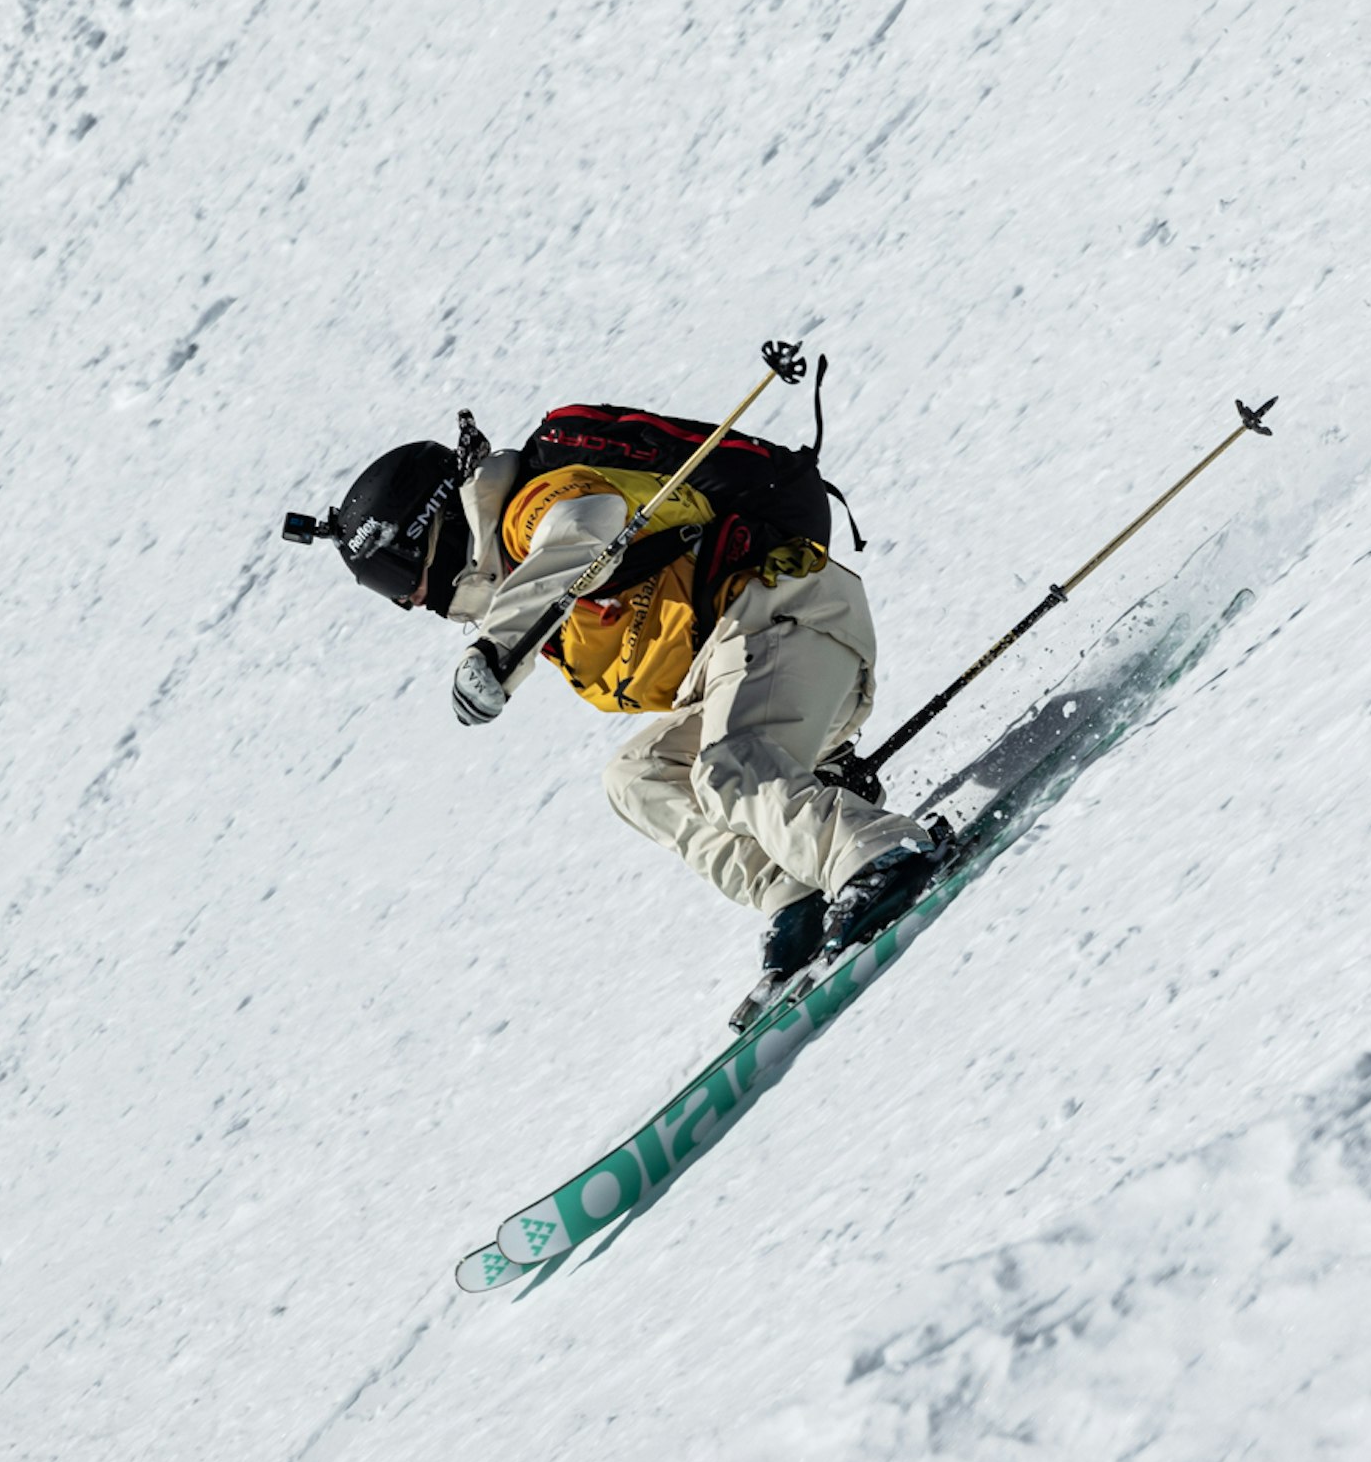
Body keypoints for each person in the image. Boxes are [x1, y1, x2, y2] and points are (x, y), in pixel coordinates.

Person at [290, 400, 946, 1018]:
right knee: (637, 775)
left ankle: (879, 852)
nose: (407, 603)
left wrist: (497, 650)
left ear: (427, 530)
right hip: (768, 661)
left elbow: (584, 530)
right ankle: (791, 892)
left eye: (396, 577)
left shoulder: (531, 510)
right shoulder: (542, 605)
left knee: (726, 771)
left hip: (790, 614)